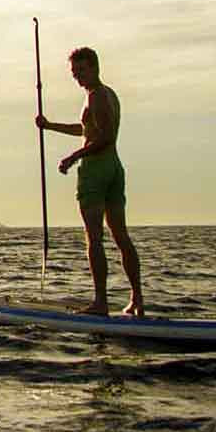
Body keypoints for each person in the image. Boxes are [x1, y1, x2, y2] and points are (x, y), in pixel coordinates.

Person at [36, 46, 144, 317]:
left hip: (97, 172)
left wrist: (74, 157)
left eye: (81, 71)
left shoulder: (97, 97)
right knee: (120, 235)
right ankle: (137, 300)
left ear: (95, 67)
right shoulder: (107, 95)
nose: (78, 77)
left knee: (94, 238)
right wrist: (49, 126)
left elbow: (104, 137)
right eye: (74, 73)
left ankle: (100, 303)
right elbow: (86, 130)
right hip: (114, 169)